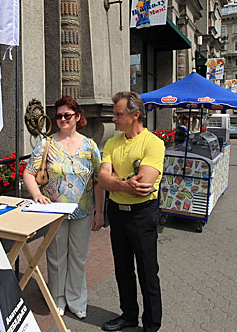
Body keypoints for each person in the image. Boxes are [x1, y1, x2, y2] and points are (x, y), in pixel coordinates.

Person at [23, 95, 104, 319]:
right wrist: (37, 195)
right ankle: (57, 298)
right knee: (56, 257)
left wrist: (100, 212)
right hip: (54, 212)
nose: (62, 119)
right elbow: (28, 173)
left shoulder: (90, 146)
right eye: (58, 116)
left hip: (83, 211)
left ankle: (77, 300)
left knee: (78, 257)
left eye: (67, 115)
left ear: (78, 116)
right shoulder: (46, 143)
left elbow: (98, 180)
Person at [98, 91, 164, 332]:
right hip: (117, 212)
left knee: (147, 271)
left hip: (142, 215)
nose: (113, 119)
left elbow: (143, 186)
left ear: (135, 115)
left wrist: (115, 179)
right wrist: (124, 183)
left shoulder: (153, 143)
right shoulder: (113, 143)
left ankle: (151, 325)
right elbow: (102, 179)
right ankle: (128, 316)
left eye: (118, 114)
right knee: (122, 269)